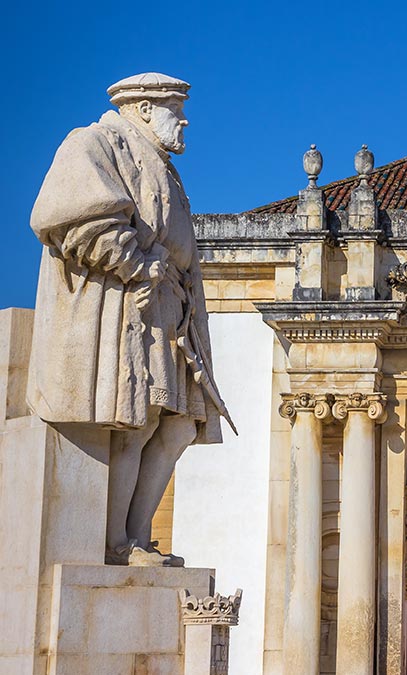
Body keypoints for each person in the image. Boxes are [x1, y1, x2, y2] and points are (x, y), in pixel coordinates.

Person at [29, 72, 234, 566]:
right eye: (175, 110)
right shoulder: (96, 143)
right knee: (136, 423)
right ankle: (121, 542)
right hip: (132, 305)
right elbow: (69, 215)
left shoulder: (162, 166)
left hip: (171, 310)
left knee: (181, 423)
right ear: (143, 108)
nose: (184, 121)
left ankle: (137, 534)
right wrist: (137, 263)